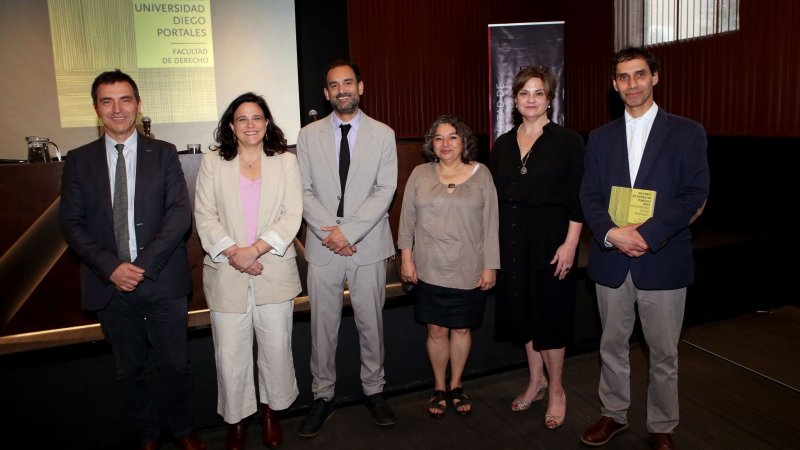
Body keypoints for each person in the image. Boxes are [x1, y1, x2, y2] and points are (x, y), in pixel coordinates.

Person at [59, 70, 205, 450]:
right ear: (96, 109)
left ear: (138, 105)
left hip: (161, 279)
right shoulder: (78, 161)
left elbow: (178, 216)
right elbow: (72, 224)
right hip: (110, 285)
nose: (117, 109)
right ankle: (148, 435)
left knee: (175, 364)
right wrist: (111, 268)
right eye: (107, 101)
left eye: (125, 99)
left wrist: (139, 267)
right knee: (131, 369)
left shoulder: (165, 153)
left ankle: (184, 429)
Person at [579, 47, 709, 450]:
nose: (631, 84)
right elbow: (589, 196)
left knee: (664, 354)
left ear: (655, 77)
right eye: (623, 77)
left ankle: (661, 426)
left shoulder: (688, 132)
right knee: (611, 346)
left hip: (662, 258)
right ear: (614, 84)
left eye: (639, 75)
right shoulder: (599, 138)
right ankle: (613, 414)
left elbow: (693, 194)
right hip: (611, 258)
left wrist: (648, 235)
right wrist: (612, 234)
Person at [295, 59, 398, 437]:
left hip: (368, 245)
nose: (342, 90)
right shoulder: (308, 136)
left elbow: (385, 190)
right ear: (326, 93)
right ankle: (322, 396)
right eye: (334, 85)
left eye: (348, 83)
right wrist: (330, 234)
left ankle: (375, 391)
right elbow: (302, 191)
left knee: (372, 325)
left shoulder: (383, 134)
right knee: (323, 328)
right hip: (323, 248)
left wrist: (348, 233)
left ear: (361, 86)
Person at [194, 93, 302, 449]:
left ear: (267, 123)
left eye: (257, 118)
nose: (250, 125)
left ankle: (270, 413)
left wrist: (254, 250)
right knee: (231, 355)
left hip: (273, 269)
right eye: (242, 119)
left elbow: (291, 216)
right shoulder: (213, 162)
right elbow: (205, 214)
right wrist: (233, 253)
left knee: (275, 348)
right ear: (230, 125)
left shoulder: (285, 162)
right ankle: (236, 421)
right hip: (227, 272)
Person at [489, 65, 585, 430]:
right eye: (524, 93)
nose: (531, 100)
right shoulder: (501, 143)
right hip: (512, 239)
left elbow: (579, 198)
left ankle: (557, 389)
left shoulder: (568, 141)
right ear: (514, 99)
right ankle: (535, 381)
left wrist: (571, 244)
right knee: (524, 312)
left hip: (552, 239)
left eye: (538, 93)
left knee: (551, 314)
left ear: (550, 98)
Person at [398, 115, 500, 419]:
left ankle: (457, 385)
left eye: (452, 137)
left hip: (468, 267)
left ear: (464, 141)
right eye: (439, 138)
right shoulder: (419, 174)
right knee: (436, 328)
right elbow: (407, 221)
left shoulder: (482, 175)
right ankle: (439, 387)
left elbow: (490, 224)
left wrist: (490, 265)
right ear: (431, 143)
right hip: (430, 268)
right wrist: (406, 257)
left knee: (462, 327)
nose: (445, 144)